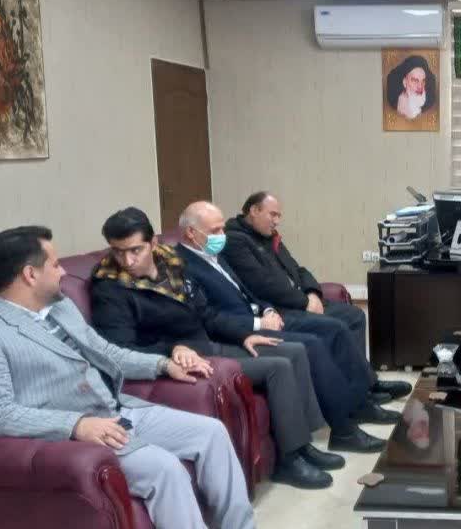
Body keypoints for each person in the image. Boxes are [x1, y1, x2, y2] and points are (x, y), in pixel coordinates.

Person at [0, 226, 254, 529]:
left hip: (117, 408)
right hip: (75, 437)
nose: (63, 271)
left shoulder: (60, 306)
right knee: (166, 469)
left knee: (212, 432)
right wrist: (76, 425)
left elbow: (105, 351)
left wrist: (162, 364)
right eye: (55, 264)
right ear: (30, 274)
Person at [89, 207, 353, 491]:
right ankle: (289, 461)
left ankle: (303, 445)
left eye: (135, 250)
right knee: (277, 366)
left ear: (153, 243)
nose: (126, 260)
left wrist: (243, 335)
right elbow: (121, 348)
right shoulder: (109, 289)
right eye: (118, 252)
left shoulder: (172, 263)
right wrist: (172, 348)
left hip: (207, 341)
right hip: (184, 358)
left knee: (294, 351)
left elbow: (206, 313)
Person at [176, 201, 399, 430]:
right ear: (191, 232)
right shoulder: (182, 265)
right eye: (215, 231)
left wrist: (268, 309)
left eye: (222, 229)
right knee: (314, 342)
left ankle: (363, 396)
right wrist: (259, 322)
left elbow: (248, 290)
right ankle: (347, 422)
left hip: (267, 314)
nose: (221, 236)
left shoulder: (215, 255)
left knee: (337, 327)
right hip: (242, 330)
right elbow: (210, 315)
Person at [222, 191, 411, 402]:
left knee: (354, 315)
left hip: (300, 300)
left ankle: (365, 382)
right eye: (272, 214)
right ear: (254, 210)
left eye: (279, 216)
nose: (277, 221)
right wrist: (305, 303)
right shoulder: (235, 240)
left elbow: (298, 269)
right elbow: (262, 285)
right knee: (334, 326)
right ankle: (362, 392)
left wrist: (312, 293)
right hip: (278, 309)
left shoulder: (269, 235)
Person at [386, 55, 437, 120]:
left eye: (423, 81)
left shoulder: (423, 103)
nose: (420, 86)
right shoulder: (401, 104)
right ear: (405, 82)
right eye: (415, 81)